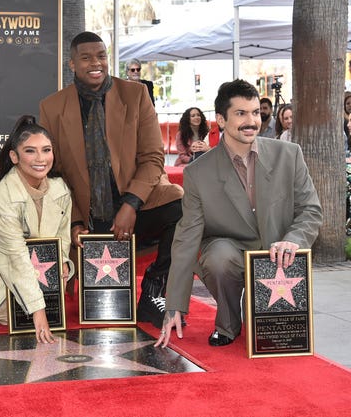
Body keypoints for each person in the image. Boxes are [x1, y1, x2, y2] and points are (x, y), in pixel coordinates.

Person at [156, 79, 322, 349]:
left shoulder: (289, 155)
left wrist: (294, 238)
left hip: (278, 253)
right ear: (221, 120)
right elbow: (186, 238)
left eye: (255, 112)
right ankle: (228, 324)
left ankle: (259, 314)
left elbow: (310, 210)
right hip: (229, 252)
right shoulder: (199, 173)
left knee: (274, 339)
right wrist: (174, 304)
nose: (251, 121)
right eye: (241, 113)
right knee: (217, 257)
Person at [39, 32, 183, 329]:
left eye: (101, 56)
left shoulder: (135, 95)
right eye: (87, 57)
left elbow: (153, 157)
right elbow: (54, 172)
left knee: (183, 207)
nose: (96, 63)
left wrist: (131, 203)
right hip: (87, 216)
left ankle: (154, 288)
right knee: (103, 314)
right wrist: (76, 220)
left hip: (135, 204)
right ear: (72, 64)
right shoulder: (52, 107)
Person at [0, 115, 73, 343]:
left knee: (50, 311)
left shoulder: (60, 188)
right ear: (14, 156)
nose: (41, 159)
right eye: (30, 151)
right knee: (20, 315)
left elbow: (62, 237)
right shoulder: (3, 195)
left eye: (46, 150)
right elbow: (14, 256)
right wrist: (38, 310)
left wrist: (63, 260)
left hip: (37, 272)